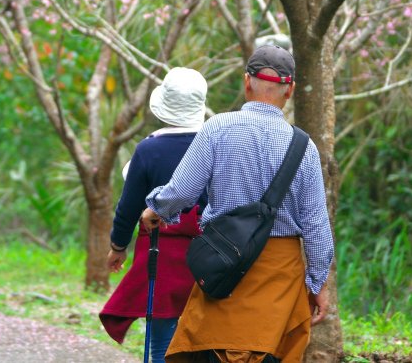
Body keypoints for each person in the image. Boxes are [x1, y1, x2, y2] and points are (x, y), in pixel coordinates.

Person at [140, 45, 333, 363]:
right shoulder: (305, 147)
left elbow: (182, 191)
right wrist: (317, 284)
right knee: (268, 349)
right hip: (279, 275)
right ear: (291, 90)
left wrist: (155, 210)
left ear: (246, 82)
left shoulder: (217, 128)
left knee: (211, 348)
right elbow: (316, 223)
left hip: (224, 266)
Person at [100, 67, 209, 363]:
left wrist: (118, 247)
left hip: (160, 256)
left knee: (162, 343)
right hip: (208, 256)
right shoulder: (214, 144)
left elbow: (129, 206)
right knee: (205, 341)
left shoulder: (148, 149)